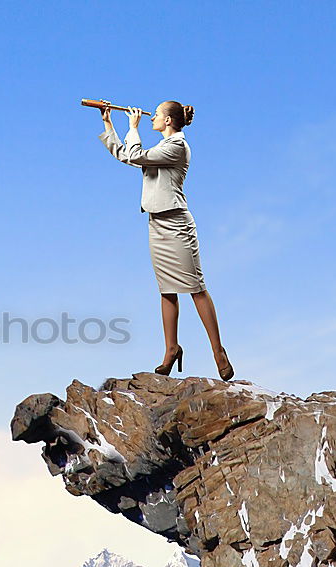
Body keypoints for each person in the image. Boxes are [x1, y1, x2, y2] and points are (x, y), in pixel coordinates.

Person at [97, 100, 233, 381]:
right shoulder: (160, 148)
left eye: (157, 115)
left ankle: (218, 351)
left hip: (177, 225)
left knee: (195, 287)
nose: (151, 118)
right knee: (166, 289)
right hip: (156, 223)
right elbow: (126, 155)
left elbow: (137, 155)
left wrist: (132, 127)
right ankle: (171, 349)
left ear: (169, 121)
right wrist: (108, 123)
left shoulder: (177, 147)